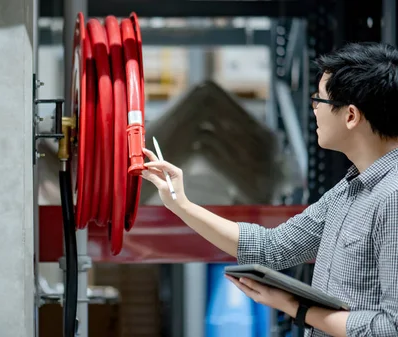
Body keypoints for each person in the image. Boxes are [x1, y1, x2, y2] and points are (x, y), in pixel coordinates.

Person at [141, 42, 398, 337]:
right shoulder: (348, 191)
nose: (314, 109)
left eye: (320, 100)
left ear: (351, 116)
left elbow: (390, 328)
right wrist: (181, 204)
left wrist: (296, 307)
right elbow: (271, 248)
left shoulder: (392, 198)